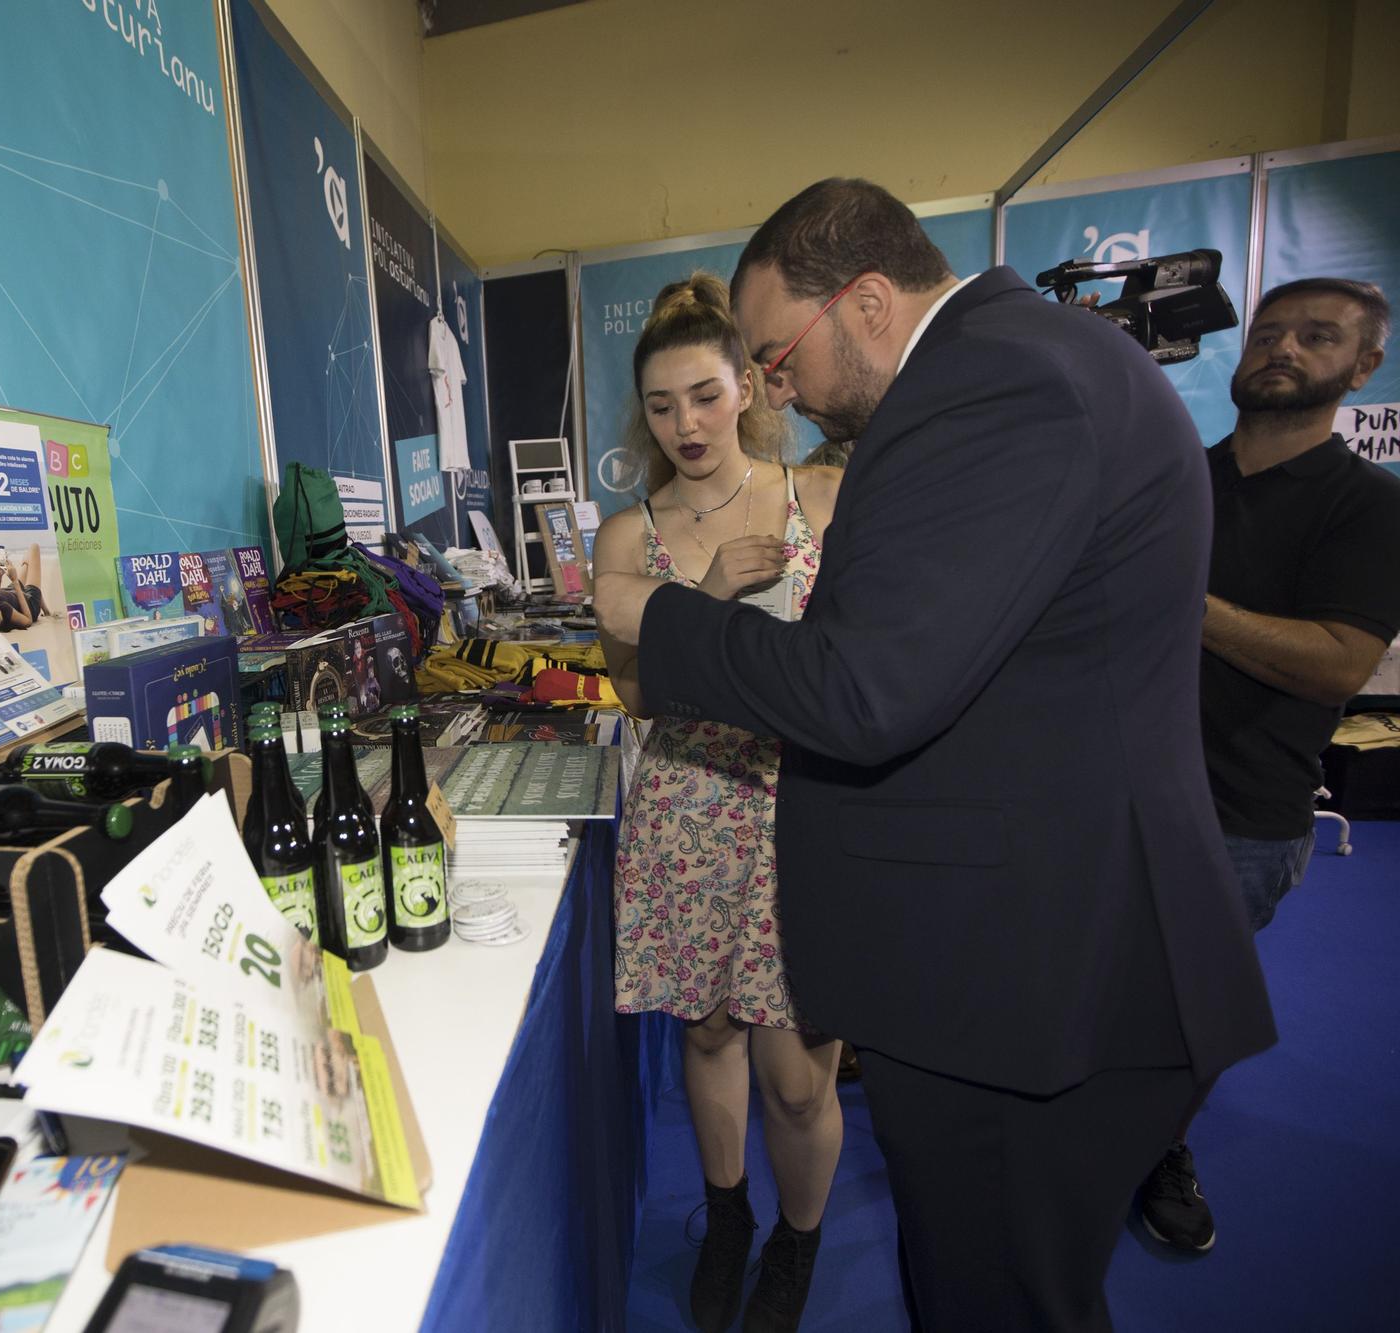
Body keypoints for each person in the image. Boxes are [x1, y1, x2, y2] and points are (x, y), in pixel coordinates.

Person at [592, 178, 1276, 1332]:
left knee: (993, 1295)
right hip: (1014, 952)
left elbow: (864, 689)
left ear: (864, 303)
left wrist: (661, 621)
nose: (771, 391)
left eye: (769, 359)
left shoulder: (994, 389)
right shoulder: (1016, 366)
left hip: (1032, 981)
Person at [596, 273, 845, 1333]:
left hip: (811, 809)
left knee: (797, 1072)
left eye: (702, 395)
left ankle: (797, 1240)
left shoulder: (820, 499)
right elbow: (639, 696)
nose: (684, 424)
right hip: (690, 807)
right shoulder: (624, 538)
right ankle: (729, 1216)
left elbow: (869, 661)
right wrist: (699, 603)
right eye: (660, 406)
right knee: (705, 1036)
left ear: (745, 386)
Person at [1139, 276, 1400, 1254]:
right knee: (1092, 982)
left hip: (1241, 812)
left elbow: (1337, 659)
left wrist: (1183, 600)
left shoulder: (1365, 506)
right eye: (1270, 330)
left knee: (1189, 1008)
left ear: (1360, 364)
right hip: (1116, 788)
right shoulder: (1177, 478)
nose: (1283, 348)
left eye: (1316, 336)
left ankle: (1159, 1148)